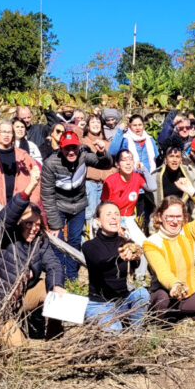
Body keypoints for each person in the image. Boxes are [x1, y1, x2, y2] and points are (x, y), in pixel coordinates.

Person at [0, 167, 65, 341]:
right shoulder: (4, 235)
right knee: (18, 346)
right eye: (28, 223)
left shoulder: (40, 240)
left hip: (20, 298)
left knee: (55, 293)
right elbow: (6, 217)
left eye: (37, 225)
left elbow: (53, 264)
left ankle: (53, 339)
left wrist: (57, 285)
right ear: (19, 223)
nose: (33, 229)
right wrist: (29, 189)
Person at [143, 178, 195, 326]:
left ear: (184, 217)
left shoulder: (189, 232)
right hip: (165, 293)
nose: (174, 221)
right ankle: (161, 321)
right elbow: (163, 273)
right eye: (170, 216)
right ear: (160, 217)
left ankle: (183, 316)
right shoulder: (151, 243)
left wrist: (191, 191)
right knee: (162, 300)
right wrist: (175, 285)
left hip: (190, 292)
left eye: (178, 216)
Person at [41, 130, 113, 281]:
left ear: (79, 147)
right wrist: (54, 224)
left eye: (74, 147)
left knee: (74, 240)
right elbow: (47, 194)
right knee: (57, 241)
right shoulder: (50, 163)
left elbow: (106, 164)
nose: (71, 152)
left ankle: (72, 275)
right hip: (59, 205)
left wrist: (102, 152)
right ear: (60, 148)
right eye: (67, 148)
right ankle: (59, 275)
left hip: (79, 205)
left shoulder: (83, 156)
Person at [82, 201, 150, 331]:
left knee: (142, 294)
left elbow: (136, 264)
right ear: (98, 221)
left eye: (117, 214)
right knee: (114, 332)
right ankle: (100, 320)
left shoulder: (126, 242)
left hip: (121, 300)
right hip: (99, 303)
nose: (114, 217)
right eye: (108, 214)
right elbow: (100, 262)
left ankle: (136, 331)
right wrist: (119, 256)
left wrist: (136, 257)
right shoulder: (89, 245)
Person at [0, 119, 42, 207]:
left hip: (21, 208)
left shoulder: (23, 156)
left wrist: (33, 203)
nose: (6, 135)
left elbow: (36, 179)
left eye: (9, 132)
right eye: (3, 132)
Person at [101, 149, 156, 218]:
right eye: (124, 160)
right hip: (113, 217)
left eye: (131, 159)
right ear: (117, 164)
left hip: (130, 217)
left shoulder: (137, 177)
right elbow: (104, 206)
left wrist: (144, 169)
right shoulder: (110, 181)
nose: (128, 163)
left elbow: (152, 187)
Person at [82, 113, 115, 221]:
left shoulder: (108, 143)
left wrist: (109, 174)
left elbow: (114, 165)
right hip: (89, 184)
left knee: (103, 215)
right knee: (89, 215)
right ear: (87, 125)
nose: (95, 124)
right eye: (92, 122)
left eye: (98, 122)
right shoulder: (83, 141)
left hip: (105, 184)